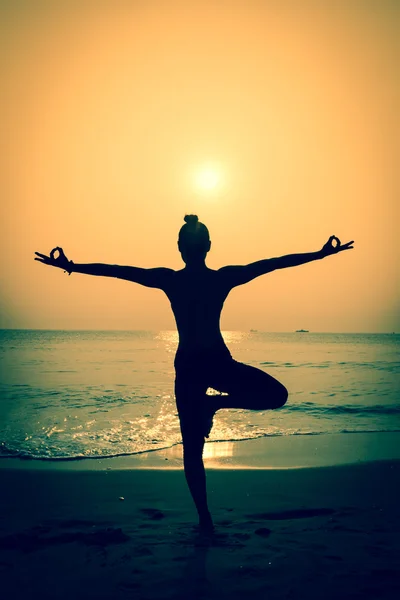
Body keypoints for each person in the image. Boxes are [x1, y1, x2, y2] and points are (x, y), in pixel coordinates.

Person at [35, 215, 354, 532]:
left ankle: (205, 515)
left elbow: (120, 272)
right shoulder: (221, 278)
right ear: (209, 247)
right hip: (215, 361)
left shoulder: (171, 279)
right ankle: (214, 411)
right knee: (276, 396)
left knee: (193, 449)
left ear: (179, 248)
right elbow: (271, 263)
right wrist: (318, 254)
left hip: (189, 364)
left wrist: (74, 267)